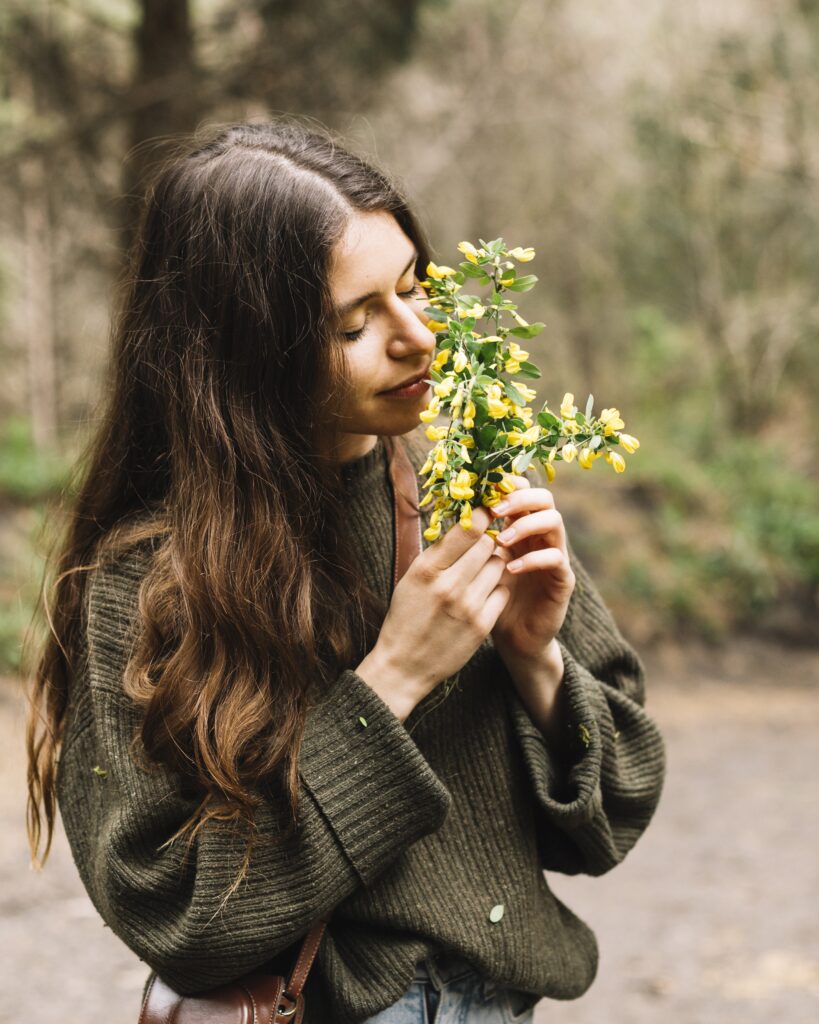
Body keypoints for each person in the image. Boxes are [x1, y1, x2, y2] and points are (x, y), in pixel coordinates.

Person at [24, 118, 666, 1024]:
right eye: (355, 321)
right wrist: (394, 677)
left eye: (415, 287)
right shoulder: (148, 579)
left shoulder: (469, 488)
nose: (417, 338)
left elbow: (618, 811)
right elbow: (172, 915)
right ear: (246, 354)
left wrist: (537, 661)